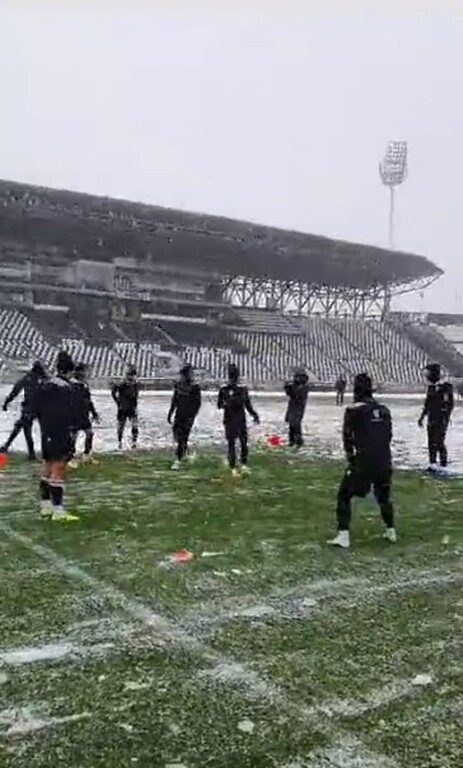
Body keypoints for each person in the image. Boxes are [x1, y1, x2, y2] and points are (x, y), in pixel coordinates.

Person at [329, 372, 396, 549]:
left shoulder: (354, 410)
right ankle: (391, 530)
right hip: (384, 459)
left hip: (364, 460)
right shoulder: (383, 409)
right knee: (384, 496)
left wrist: (352, 459)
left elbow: (347, 438)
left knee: (344, 495)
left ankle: (343, 535)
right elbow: (388, 435)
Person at [30, 350, 79, 522]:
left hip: (46, 432)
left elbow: (34, 408)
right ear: (69, 371)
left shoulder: (45, 384)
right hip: (60, 432)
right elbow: (69, 414)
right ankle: (58, 511)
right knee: (58, 469)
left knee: (47, 468)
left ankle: (46, 507)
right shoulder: (65, 389)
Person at [218, 363, 259, 476]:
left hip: (231, 418)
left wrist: (227, 404)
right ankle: (242, 463)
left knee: (234, 443)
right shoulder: (238, 389)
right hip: (238, 419)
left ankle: (234, 465)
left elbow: (219, 405)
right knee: (242, 442)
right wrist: (254, 415)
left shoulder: (225, 389)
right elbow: (247, 404)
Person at [1, 361, 47, 460]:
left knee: (23, 426)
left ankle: (10, 447)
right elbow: (15, 391)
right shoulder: (43, 379)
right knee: (24, 427)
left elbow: (15, 391)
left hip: (32, 408)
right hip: (38, 408)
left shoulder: (30, 378)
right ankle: (31, 452)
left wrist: (7, 402)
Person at [418, 363, 454, 472]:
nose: (426, 377)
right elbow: (427, 404)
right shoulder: (431, 387)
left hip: (441, 418)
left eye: (428, 374)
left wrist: (446, 416)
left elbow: (450, 404)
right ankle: (432, 463)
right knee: (431, 441)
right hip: (432, 417)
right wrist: (422, 417)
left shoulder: (446, 387)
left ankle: (443, 464)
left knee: (439, 441)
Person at [167, 364, 201, 470]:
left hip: (188, 416)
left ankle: (178, 460)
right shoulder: (178, 386)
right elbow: (174, 400)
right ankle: (185, 452)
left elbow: (197, 403)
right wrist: (170, 413)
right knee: (177, 435)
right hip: (179, 414)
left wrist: (193, 415)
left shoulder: (195, 387)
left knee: (183, 437)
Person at [69, 363, 100, 467]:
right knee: (73, 436)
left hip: (84, 414)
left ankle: (87, 455)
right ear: (79, 372)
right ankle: (71, 457)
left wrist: (94, 413)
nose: (86, 373)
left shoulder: (84, 385)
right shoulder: (71, 385)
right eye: (84, 371)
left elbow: (88, 400)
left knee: (89, 433)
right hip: (74, 414)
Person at [111, 366, 139, 450]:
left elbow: (135, 396)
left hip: (131, 408)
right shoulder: (122, 384)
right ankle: (119, 442)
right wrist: (117, 402)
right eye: (130, 375)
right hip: (122, 408)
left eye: (133, 375)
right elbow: (113, 392)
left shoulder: (135, 384)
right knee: (121, 427)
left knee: (135, 425)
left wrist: (135, 405)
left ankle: (134, 442)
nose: (131, 378)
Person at [284, 370, 309, 448]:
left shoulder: (304, 387)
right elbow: (290, 394)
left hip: (298, 408)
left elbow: (296, 394)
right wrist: (287, 388)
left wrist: (289, 388)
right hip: (292, 407)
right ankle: (292, 441)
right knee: (291, 425)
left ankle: (298, 441)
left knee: (296, 425)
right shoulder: (295, 385)